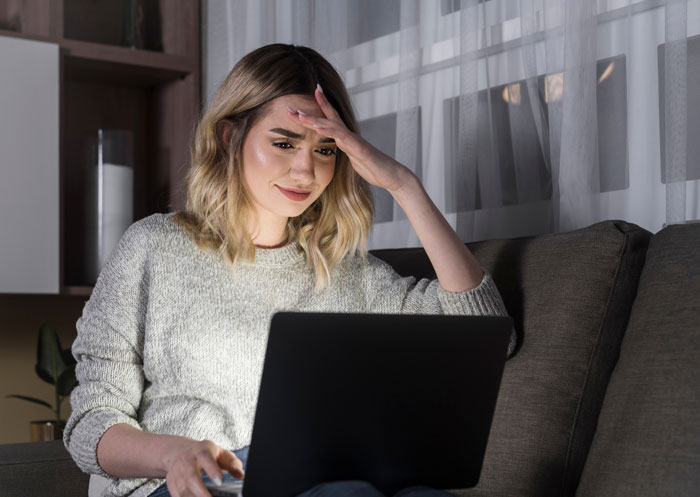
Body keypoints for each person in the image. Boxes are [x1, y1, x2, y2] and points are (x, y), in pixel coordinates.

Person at [63, 43, 516, 497]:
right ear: (229, 138)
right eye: (284, 143)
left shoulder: (348, 274)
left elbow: (489, 337)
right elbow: (90, 424)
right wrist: (173, 454)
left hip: (306, 482)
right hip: (187, 488)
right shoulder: (153, 247)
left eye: (326, 149)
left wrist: (404, 184)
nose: (305, 169)